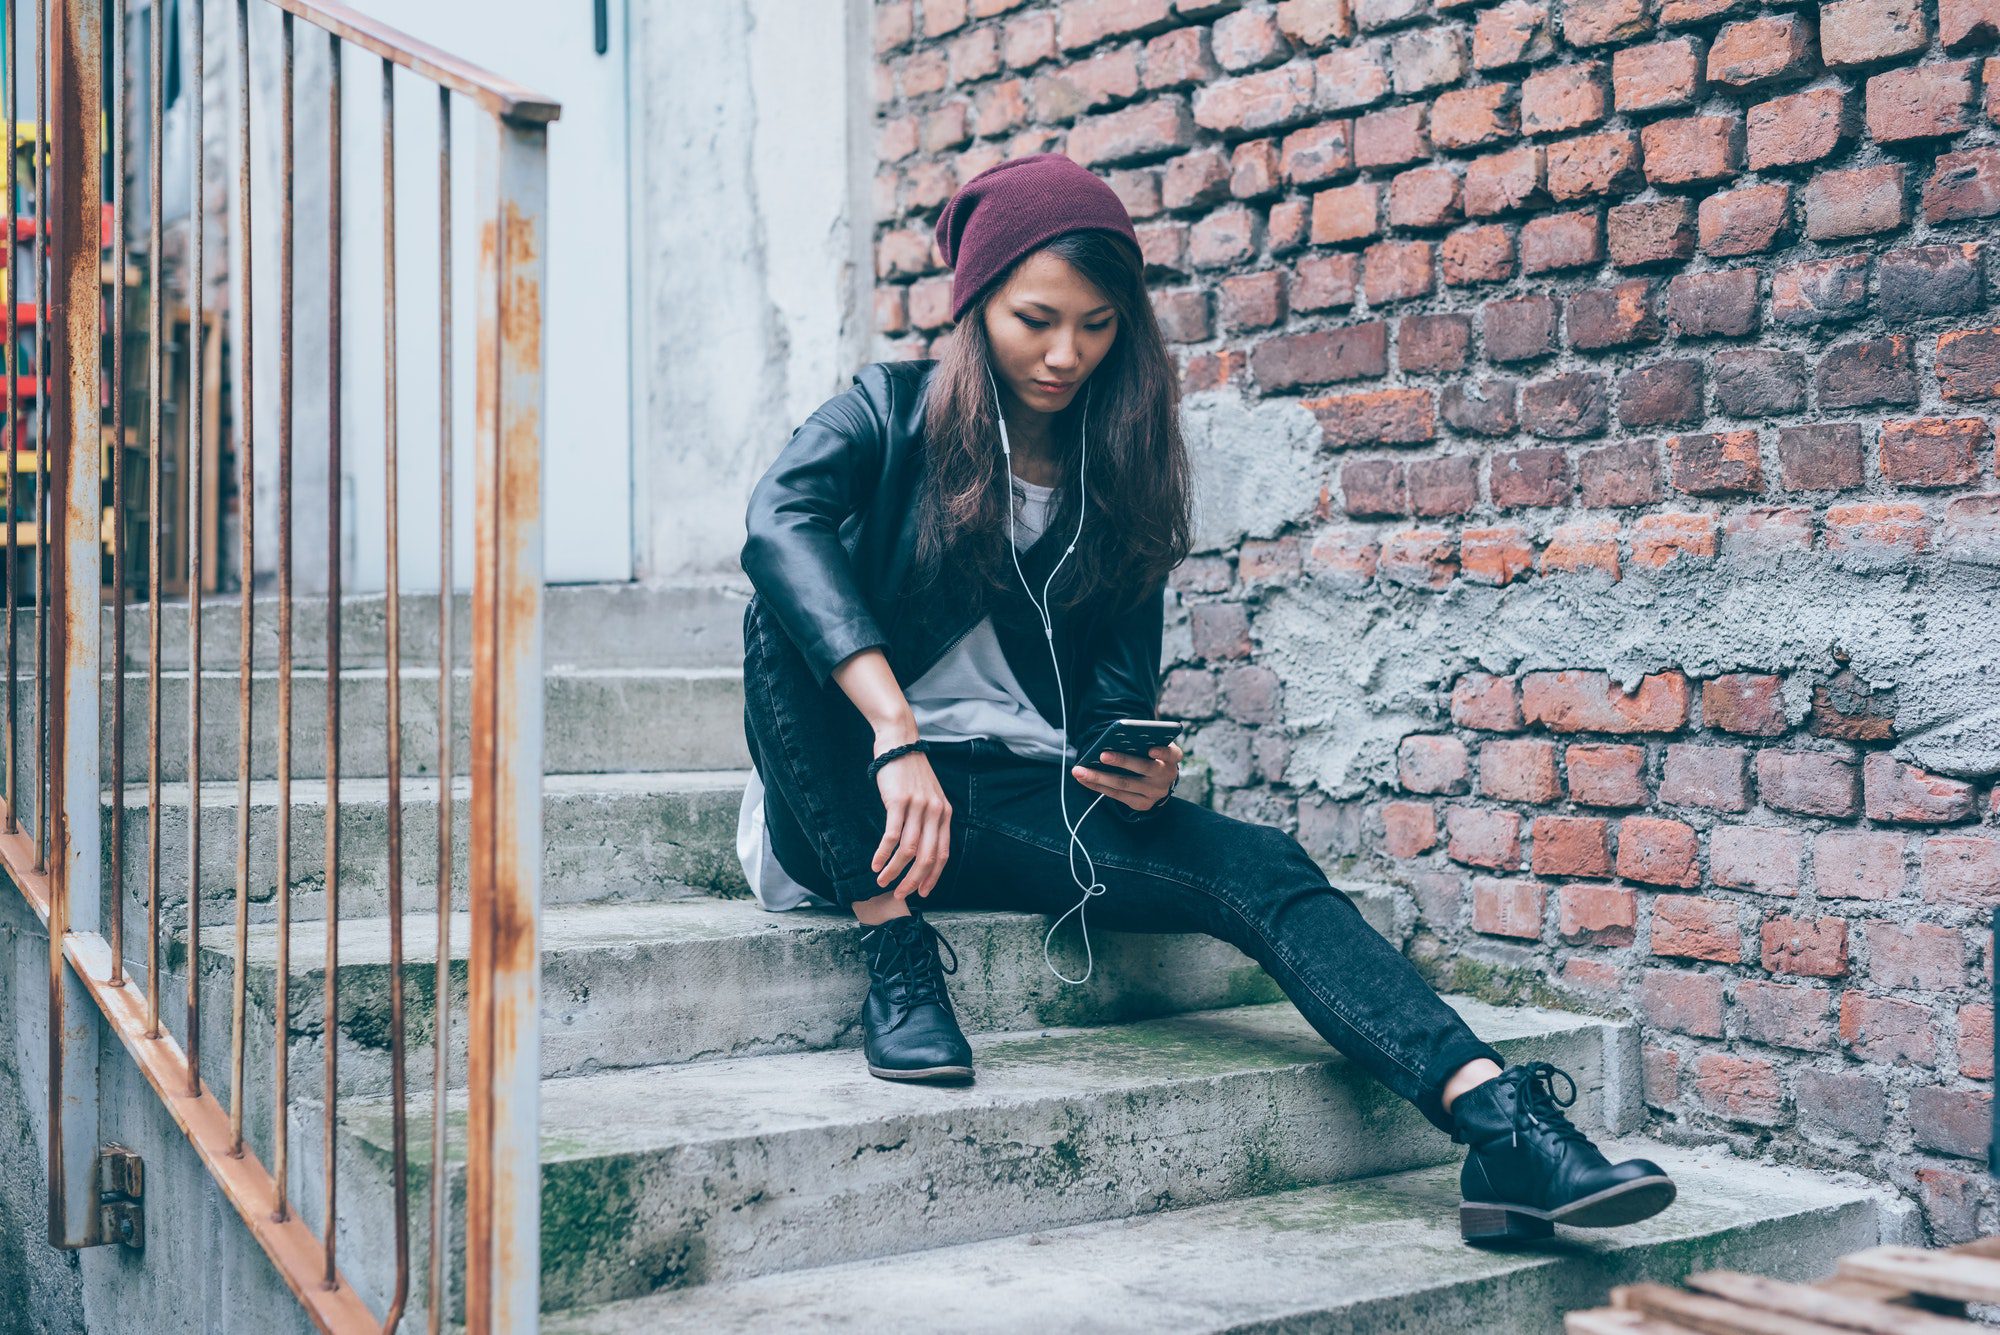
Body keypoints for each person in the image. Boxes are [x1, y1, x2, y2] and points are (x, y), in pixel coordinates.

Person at [735, 152, 1676, 1245]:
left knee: (1260, 865)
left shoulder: (1118, 461)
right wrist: (893, 731)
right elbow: (776, 522)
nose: (1063, 354)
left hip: (1001, 802)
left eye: (1095, 326)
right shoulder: (887, 411)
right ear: (974, 303)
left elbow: (1110, 698)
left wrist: (1132, 766)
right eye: (1035, 318)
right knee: (774, 615)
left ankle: (1501, 1128)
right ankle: (894, 957)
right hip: (847, 801)